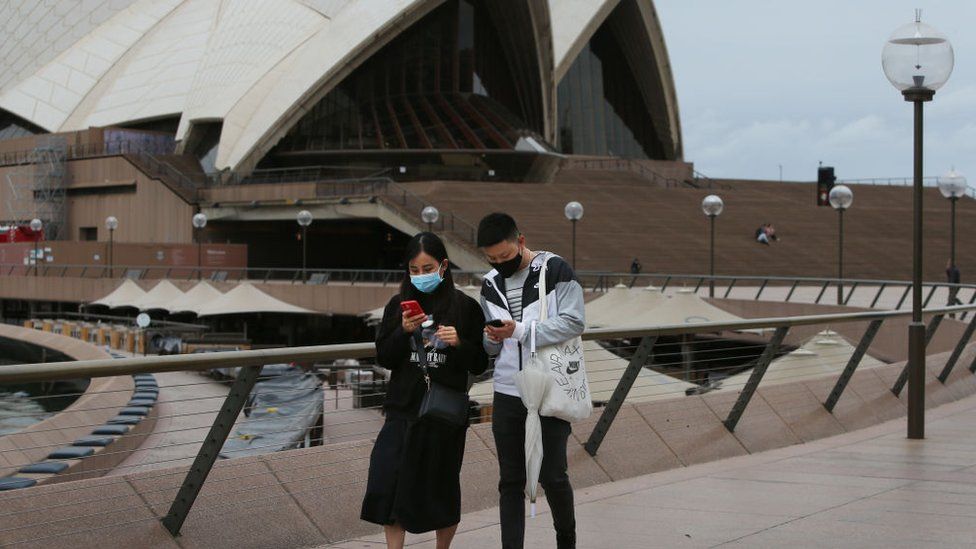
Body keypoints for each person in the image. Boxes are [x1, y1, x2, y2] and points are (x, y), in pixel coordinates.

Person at [361, 232, 488, 549]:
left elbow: (479, 363)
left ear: (444, 266)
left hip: (444, 415)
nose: (420, 276)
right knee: (388, 482)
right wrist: (403, 331)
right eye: (414, 270)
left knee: (441, 488)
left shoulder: (466, 308)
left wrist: (458, 343)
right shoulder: (398, 306)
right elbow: (385, 357)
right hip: (403, 408)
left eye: (427, 268)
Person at [476, 212, 585, 549]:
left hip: (549, 387)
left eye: (505, 256)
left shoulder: (555, 270)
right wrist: (492, 339)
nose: (499, 263)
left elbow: (574, 321)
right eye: (492, 258)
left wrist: (521, 331)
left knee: (553, 476)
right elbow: (491, 348)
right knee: (510, 481)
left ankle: (566, 539)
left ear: (521, 241)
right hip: (508, 391)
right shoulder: (490, 283)